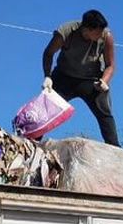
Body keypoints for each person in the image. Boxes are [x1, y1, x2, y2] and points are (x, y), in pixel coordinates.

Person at [41, 10, 118, 146]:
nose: (101, 35)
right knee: (45, 109)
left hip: (91, 80)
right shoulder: (66, 31)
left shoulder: (106, 36)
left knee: (104, 112)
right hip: (63, 77)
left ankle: (115, 147)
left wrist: (104, 81)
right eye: (98, 32)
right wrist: (47, 76)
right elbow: (48, 53)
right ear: (87, 30)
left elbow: (110, 65)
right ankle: (29, 142)